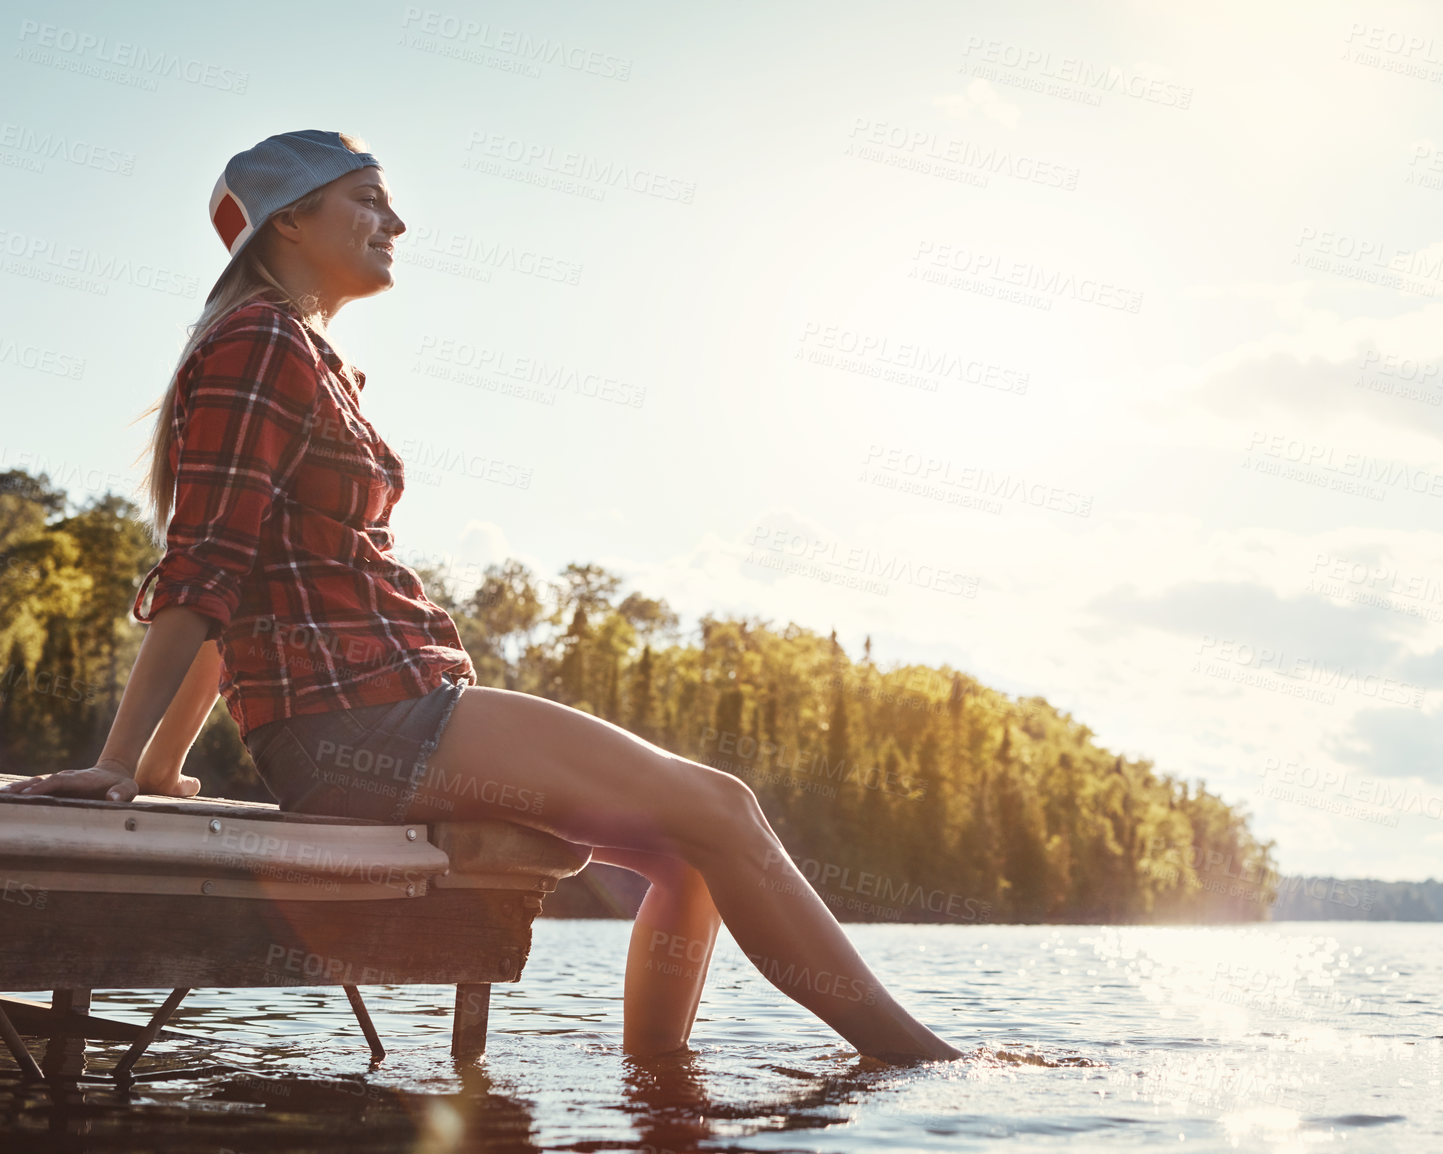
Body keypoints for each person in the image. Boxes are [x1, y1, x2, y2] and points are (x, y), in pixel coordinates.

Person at [0, 129, 963, 1066]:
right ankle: (921, 1063)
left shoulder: (305, 354)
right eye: (368, 198)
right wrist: (120, 765)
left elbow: (245, 582)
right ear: (289, 223)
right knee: (722, 806)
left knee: (686, 854)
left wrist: (164, 767)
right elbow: (205, 563)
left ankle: (658, 1095)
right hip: (366, 718)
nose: (396, 222)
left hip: (372, 713)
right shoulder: (260, 343)